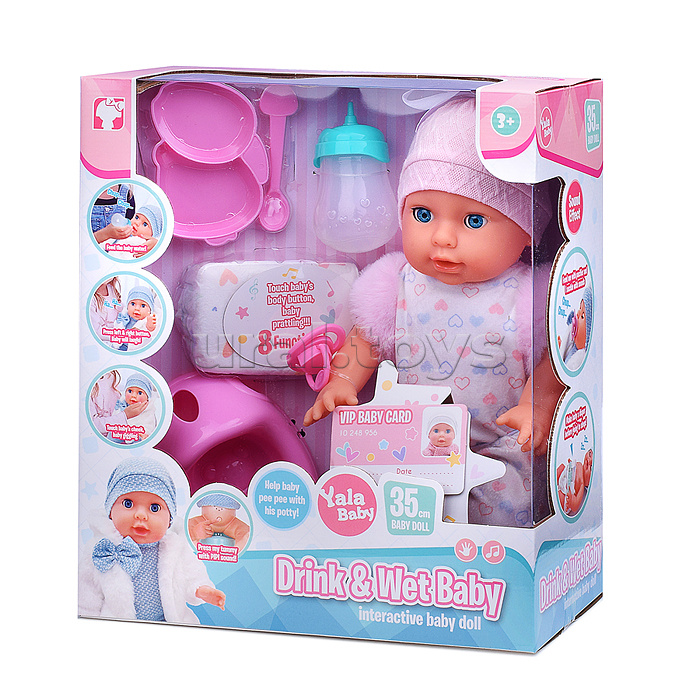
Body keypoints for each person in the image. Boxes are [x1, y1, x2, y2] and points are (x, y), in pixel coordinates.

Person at [304, 98, 563, 527]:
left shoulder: (530, 295)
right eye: (423, 214)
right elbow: (366, 341)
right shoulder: (396, 283)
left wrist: (536, 406)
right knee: (401, 514)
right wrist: (343, 381)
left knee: (501, 519)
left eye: (473, 221)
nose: (442, 237)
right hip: (411, 443)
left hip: (500, 442)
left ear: (526, 232)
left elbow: (551, 363)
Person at [79, 457, 226, 623]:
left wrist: (202, 590)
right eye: (128, 504)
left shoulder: (174, 548)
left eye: (154, 508)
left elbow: (192, 574)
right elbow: (86, 593)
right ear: (110, 510)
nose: (141, 515)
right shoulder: (102, 549)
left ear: (169, 518)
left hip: (167, 622)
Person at [114, 285, 157, 351]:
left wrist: (150, 327)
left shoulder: (147, 321)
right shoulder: (123, 316)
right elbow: (116, 329)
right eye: (133, 304)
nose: (137, 308)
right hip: (121, 346)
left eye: (143, 306)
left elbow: (151, 333)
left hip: (137, 350)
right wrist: (119, 324)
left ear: (150, 310)